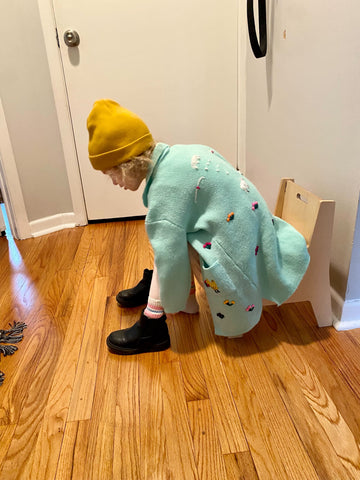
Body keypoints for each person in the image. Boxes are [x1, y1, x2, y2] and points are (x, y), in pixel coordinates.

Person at [87, 99, 310, 355]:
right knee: (173, 233)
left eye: (111, 173)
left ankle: (153, 322)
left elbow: (169, 256)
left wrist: (165, 302)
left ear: (127, 163)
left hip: (241, 255)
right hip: (254, 235)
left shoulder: (165, 190)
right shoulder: (179, 155)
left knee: (168, 242)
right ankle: (183, 300)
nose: (113, 182)